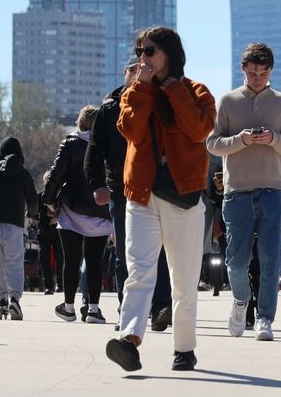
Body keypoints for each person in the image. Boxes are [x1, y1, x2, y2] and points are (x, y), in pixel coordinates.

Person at [105, 26, 215, 373]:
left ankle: (184, 348)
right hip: (141, 194)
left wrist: (172, 90)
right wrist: (139, 88)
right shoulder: (136, 91)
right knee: (138, 271)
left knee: (183, 279)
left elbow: (199, 129)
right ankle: (129, 340)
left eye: (149, 51)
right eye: (139, 51)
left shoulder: (196, 91)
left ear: (169, 53)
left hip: (183, 196)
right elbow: (130, 131)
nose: (142, 58)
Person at [205, 42, 281, 341]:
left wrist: (273, 139)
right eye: (253, 71)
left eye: (263, 72)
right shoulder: (228, 101)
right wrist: (241, 140)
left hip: (272, 188)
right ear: (243, 69)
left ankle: (264, 319)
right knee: (237, 260)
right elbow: (212, 144)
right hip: (237, 190)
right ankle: (240, 301)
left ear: (271, 71)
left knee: (270, 258)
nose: (258, 77)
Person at [87, 59, 173, 332]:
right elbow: (94, 150)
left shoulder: (158, 103)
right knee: (125, 254)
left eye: (144, 68)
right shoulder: (109, 109)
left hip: (154, 188)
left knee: (158, 251)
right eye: (133, 69)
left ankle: (160, 308)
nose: (138, 73)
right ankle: (127, 312)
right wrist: (97, 184)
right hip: (121, 190)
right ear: (123, 73)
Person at [44, 105, 113, 324]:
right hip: (101, 212)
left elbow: (56, 173)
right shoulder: (108, 145)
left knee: (71, 261)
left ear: (80, 123)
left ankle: (69, 307)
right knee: (94, 263)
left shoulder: (70, 144)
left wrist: (48, 199)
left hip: (71, 211)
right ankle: (93, 309)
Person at [0, 137, 38, 320]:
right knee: (14, 263)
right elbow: (33, 200)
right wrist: (31, 214)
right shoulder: (24, 174)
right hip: (14, 224)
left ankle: (2, 300)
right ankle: (14, 300)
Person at [36, 191, 63, 294]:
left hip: (58, 230)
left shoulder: (59, 195)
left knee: (60, 258)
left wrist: (57, 217)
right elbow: (35, 212)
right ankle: (48, 286)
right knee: (44, 259)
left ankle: (60, 284)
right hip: (44, 229)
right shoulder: (39, 196)